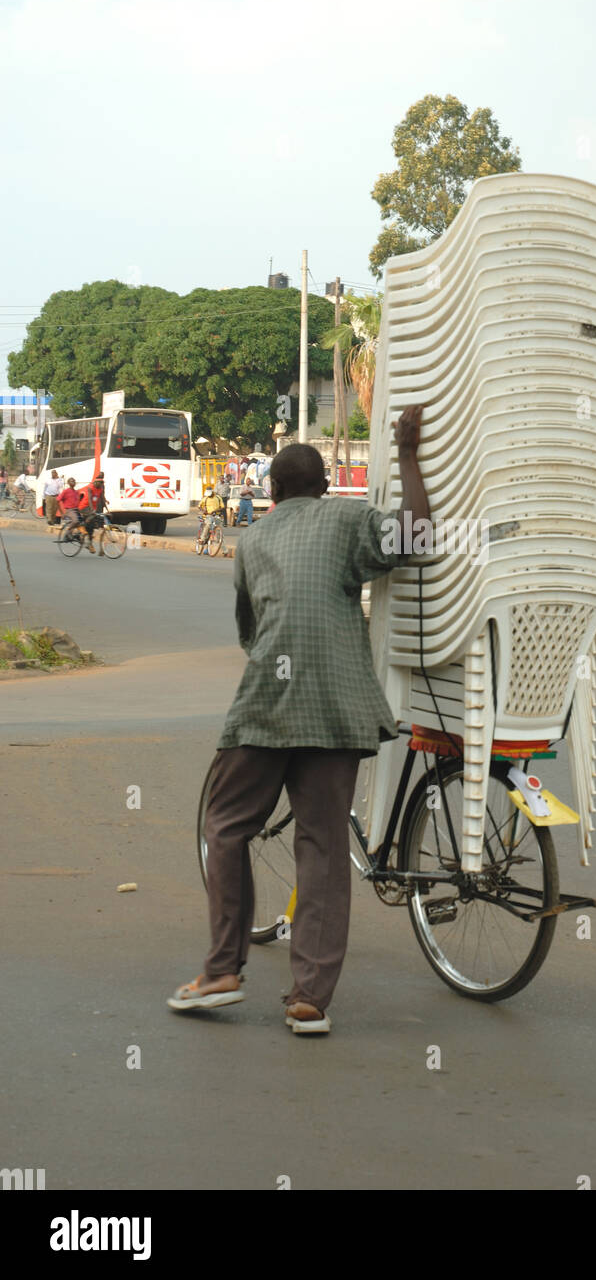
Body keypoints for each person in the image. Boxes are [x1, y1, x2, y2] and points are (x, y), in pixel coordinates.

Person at [168, 406, 430, 1033]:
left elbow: (251, 633)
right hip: (338, 709)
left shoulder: (252, 537)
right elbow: (418, 538)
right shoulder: (347, 518)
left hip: (268, 704)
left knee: (226, 826)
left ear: (274, 490)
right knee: (323, 847)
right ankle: (309, 998)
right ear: (324, 487)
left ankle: (223, 971)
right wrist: (410, 454)